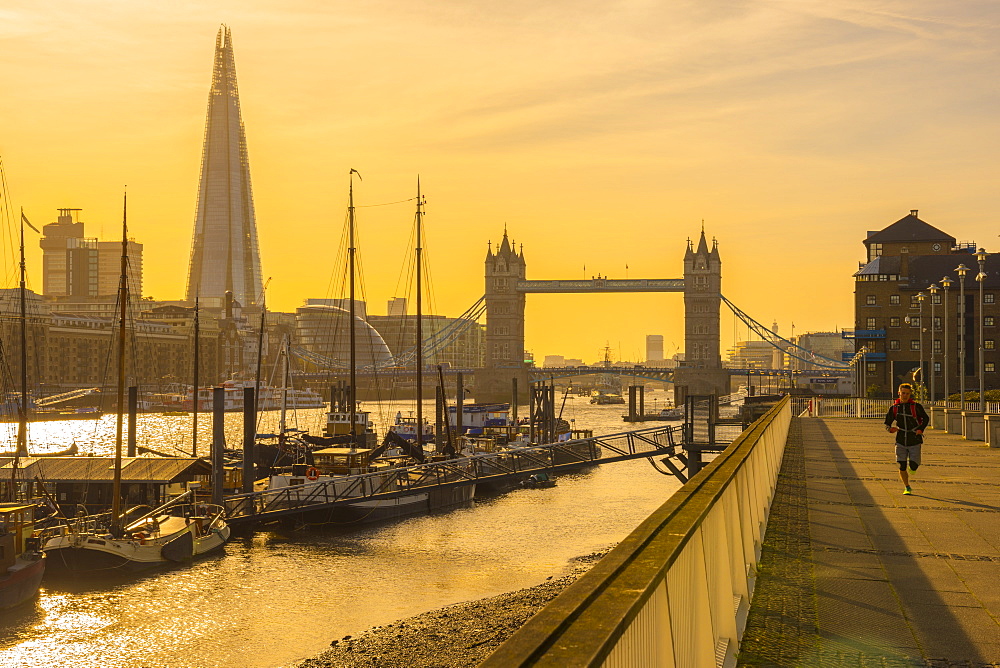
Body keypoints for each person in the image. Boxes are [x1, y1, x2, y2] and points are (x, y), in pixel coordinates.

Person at [884, 383, 928, 494]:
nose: (905, 395)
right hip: (900, 440)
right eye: (903, 393)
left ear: (910, 394)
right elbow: (887, 423)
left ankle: (913, 468)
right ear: (899, 393)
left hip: (914, 439)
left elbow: (926, 418)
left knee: (914, 465)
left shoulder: (916, 407)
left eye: (907, 394)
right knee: (901, 465)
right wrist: (890, 429)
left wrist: (921, 429)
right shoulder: (894, 408)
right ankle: (907, 487)